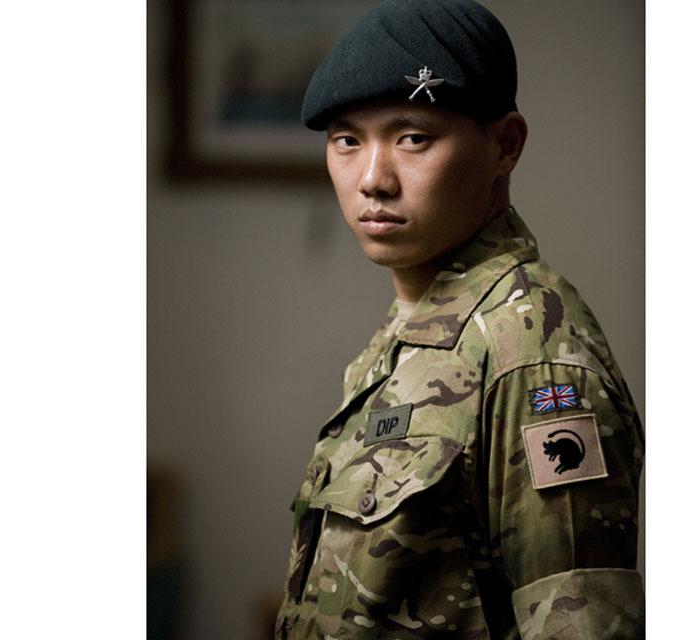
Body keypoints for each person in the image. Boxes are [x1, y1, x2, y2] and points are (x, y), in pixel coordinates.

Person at [275, 0, 644, 637]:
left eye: (413, 138)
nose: (373, 179)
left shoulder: (530, 353)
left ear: (505, 145)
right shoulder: (414, 330)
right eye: (347, 141)